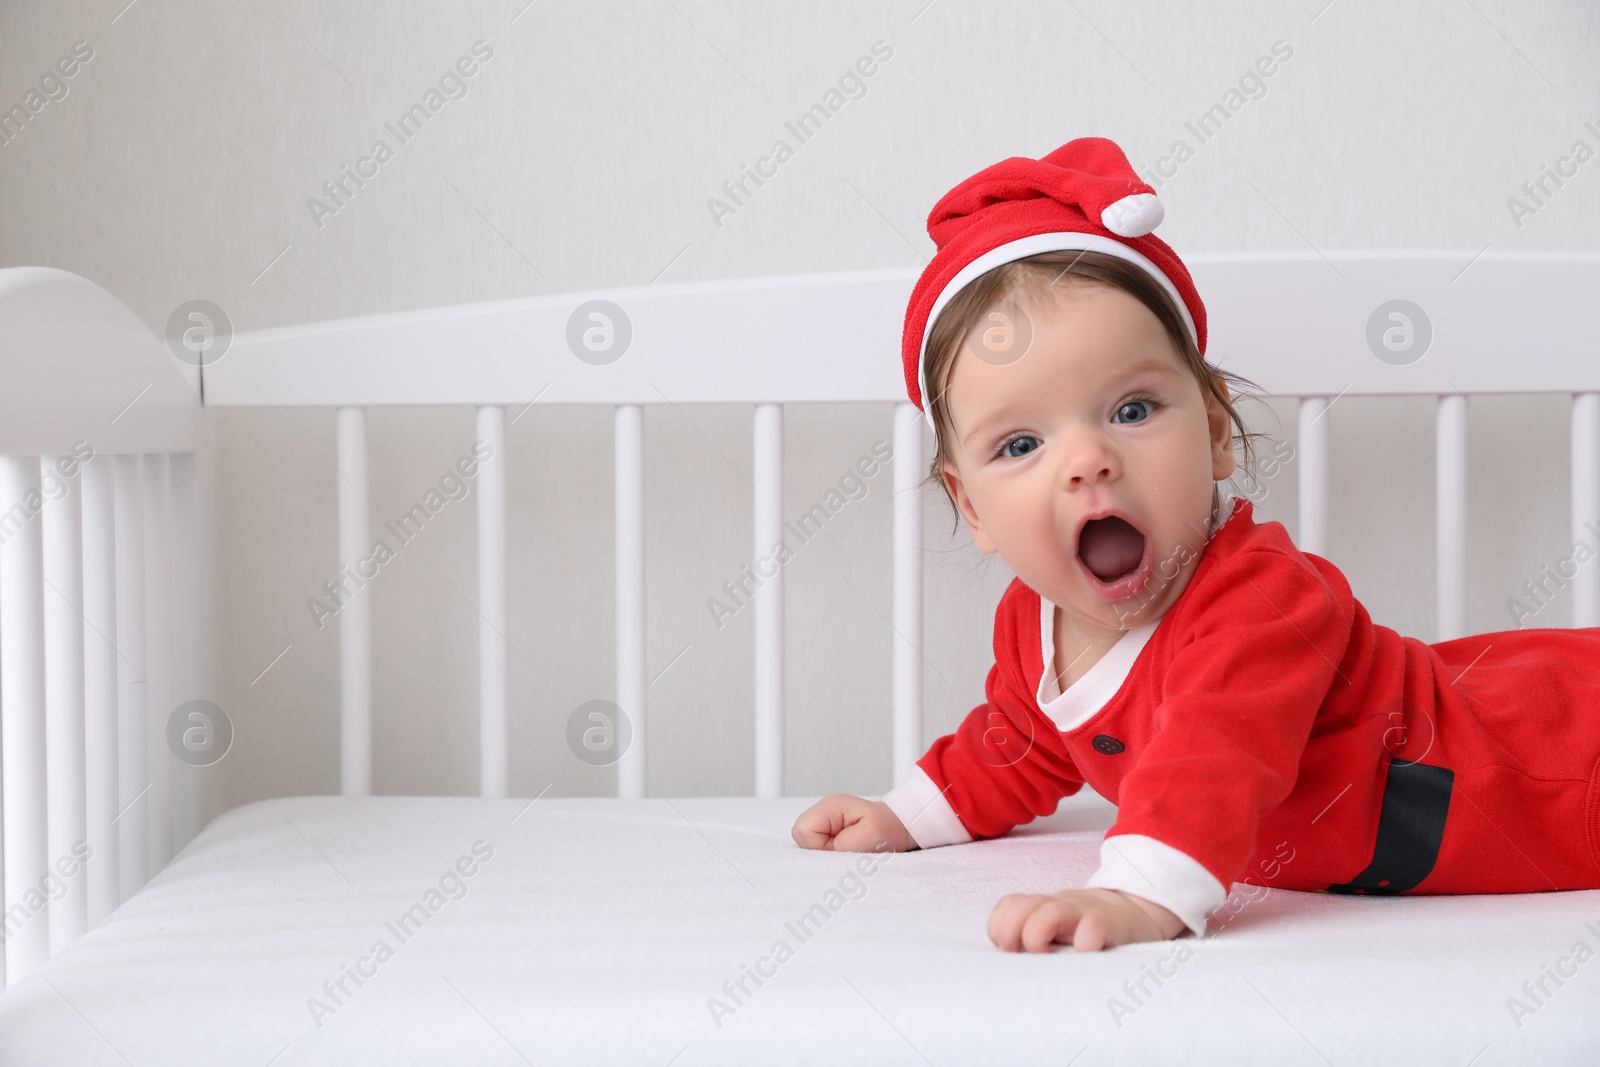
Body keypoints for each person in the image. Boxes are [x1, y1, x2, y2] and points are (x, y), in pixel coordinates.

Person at [790, 136, 1600, 954]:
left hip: (1527, 770)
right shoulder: (1030, 625)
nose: (1087, 460)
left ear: (1216, 432)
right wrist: (910, 814)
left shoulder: (1263, 597)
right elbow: (1019, 743)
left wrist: (1142, 892)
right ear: (974, 508)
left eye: (1133, 410)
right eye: (1020, 444)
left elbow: (1217, 749)